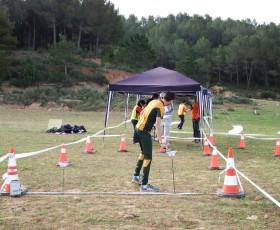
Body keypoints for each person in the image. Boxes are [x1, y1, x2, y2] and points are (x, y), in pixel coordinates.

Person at [131, 91, 175, 192]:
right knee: (148, 158)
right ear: (171, 101)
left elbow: (142, 112)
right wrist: (161, 142)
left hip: (138, 128)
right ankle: (144, 186)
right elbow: (158, 125)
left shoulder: (153, 101)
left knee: (143, 153)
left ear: (163, 97)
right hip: (143, 131)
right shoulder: (161, 108)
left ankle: (136, 177)